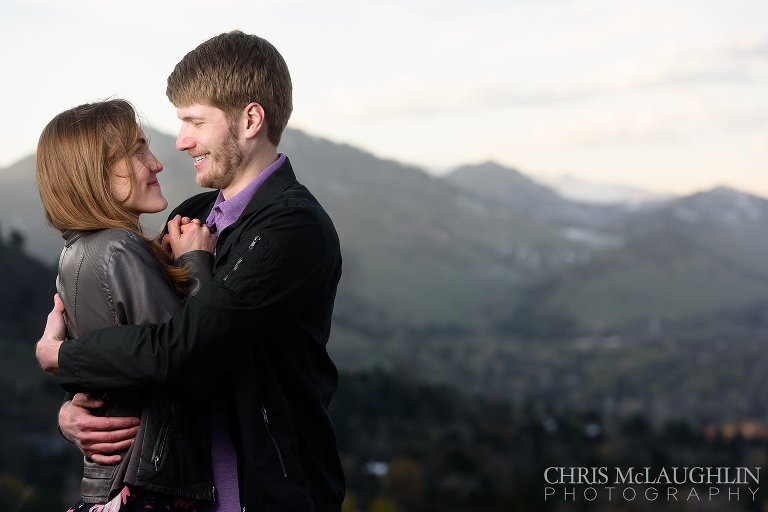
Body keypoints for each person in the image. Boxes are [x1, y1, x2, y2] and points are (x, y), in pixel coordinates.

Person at [37, 30, 346, 512]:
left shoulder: (293, 226)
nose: (181, 142)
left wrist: (65, 357)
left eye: (194, 121)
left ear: (250, 119)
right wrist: (78, 407)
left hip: (262, 491)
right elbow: (138, 329)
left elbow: (188, 350)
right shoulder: (195, 212)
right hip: (190, 487)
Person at [35, 99, 219, 510]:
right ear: (94, 171)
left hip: (107, 485)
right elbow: (193, 363)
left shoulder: (74, 253)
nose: (156, 164)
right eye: (137, 151)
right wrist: (196, 262)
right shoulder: (119, 249)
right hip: (148, 486)